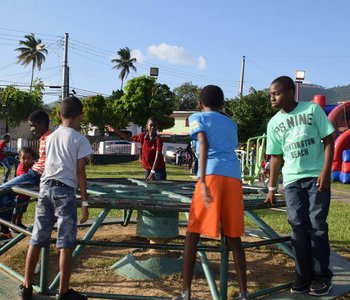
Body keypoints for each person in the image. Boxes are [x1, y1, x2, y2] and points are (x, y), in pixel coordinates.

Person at [173, 85, 248, 300]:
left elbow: (203, 142)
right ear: (223, 104)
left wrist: (203, 178)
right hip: (234, 177)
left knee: (192, 234)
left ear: (200, 103)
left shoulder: (199, 117)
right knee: (234, 237)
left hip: (212, 175)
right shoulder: (231, 123)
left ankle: (186, 293)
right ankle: (243, 293)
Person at [265, 76, 334, 296]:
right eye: (270, 95)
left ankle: (321, 276)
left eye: (276, 93)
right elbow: (275, 157)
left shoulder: (312, 110)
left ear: (289, 91)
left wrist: (325, 171)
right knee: (297, 227)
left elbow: (329, 140)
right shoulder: (274, 122)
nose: (272, 98)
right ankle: (303, 275)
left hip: (316, 177)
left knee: (316, 225)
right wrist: (272, 188)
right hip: (292, 181)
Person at [18, 96, 92, 300]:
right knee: (66, 243)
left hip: (45, 190)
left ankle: (25, 286)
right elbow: (80, 173)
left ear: (59, 115)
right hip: (65, 191)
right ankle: (63, 291)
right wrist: (84, 202)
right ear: (81, 116)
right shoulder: (80, 139)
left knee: (37, 239)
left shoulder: (50, 137)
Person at [0, 110, 51, 242]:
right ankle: (5, 231)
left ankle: (5, 230)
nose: (32, 129)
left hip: (36, 175)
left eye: (33, 126)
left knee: (2, 189)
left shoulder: (50, 138)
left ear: (42, 123)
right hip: (35, 173)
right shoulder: (45, 137)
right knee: (6, 196)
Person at [11, 147, 35, 230]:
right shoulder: (21, 167)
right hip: (19, 194)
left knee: (22, 210)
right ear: (20, 158)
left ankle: (19, 222)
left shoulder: (32, 167)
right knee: (16, 209)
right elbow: (26, 177)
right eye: (23, 158)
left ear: (32, 159)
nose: (26, 161)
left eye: (29, 158)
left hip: (26, 194)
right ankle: (12, 224)